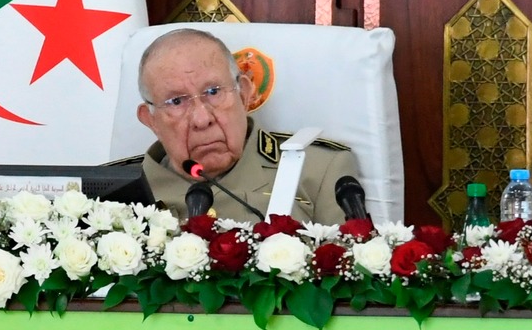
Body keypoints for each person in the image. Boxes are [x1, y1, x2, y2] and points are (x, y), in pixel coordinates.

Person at [137, 27, 363, 223]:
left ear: (244, 95)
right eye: (176, 101)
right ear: (151, 120)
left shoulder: (317, 171)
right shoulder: (123, 190)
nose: (202, 119)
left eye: (213, 92)